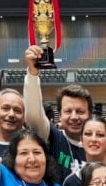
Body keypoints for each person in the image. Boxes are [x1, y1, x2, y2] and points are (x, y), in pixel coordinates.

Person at [23, 46, 94, 174]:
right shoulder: (54, 138)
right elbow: (33, 115)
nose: (74, 117)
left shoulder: (103, 148)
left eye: (80, 112)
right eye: (68, 111)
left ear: (90, 114)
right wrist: (33, 74)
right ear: (60, 115)